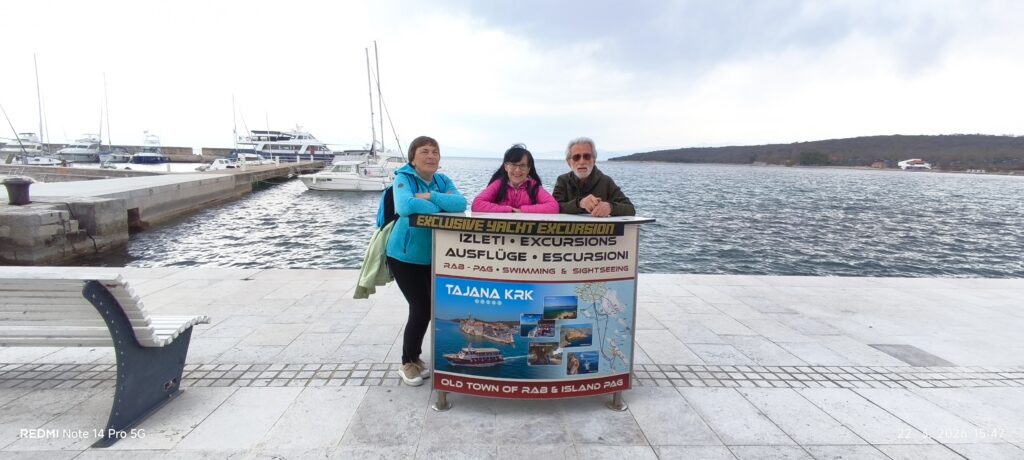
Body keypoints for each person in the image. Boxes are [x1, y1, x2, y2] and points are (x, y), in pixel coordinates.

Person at [386, 135, 467, 386]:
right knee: (420, 308)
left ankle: (415, 359)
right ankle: (408, 362)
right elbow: (404, 207)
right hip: (405, 256)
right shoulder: (404, 178)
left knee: (430, 309)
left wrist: (428, 197)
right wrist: (441, 204)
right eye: (424, 151)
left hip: (434, 257)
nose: (431, 156)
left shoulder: (442, 180)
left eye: (435, 151)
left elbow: (461, 203)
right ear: (413, 158)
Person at [552, 137, 635, 217]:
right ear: (569, 163)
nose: (582, 161)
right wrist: (580, 203)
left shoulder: (606, 181)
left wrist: (611, 208)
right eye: (576, 157)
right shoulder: (562, 180)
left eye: (587, 156)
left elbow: (630, 209)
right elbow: (554, 207)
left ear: (594, 160)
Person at [472, 144, 559, 214]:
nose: (517, 170)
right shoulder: (498, 184)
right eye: (513, 165)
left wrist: (522, 211)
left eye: (522, 165)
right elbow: (476, 204)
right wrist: (508, 210)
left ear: (529, 169)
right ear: (506, 167)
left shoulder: (534, 187)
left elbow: (553, 207)